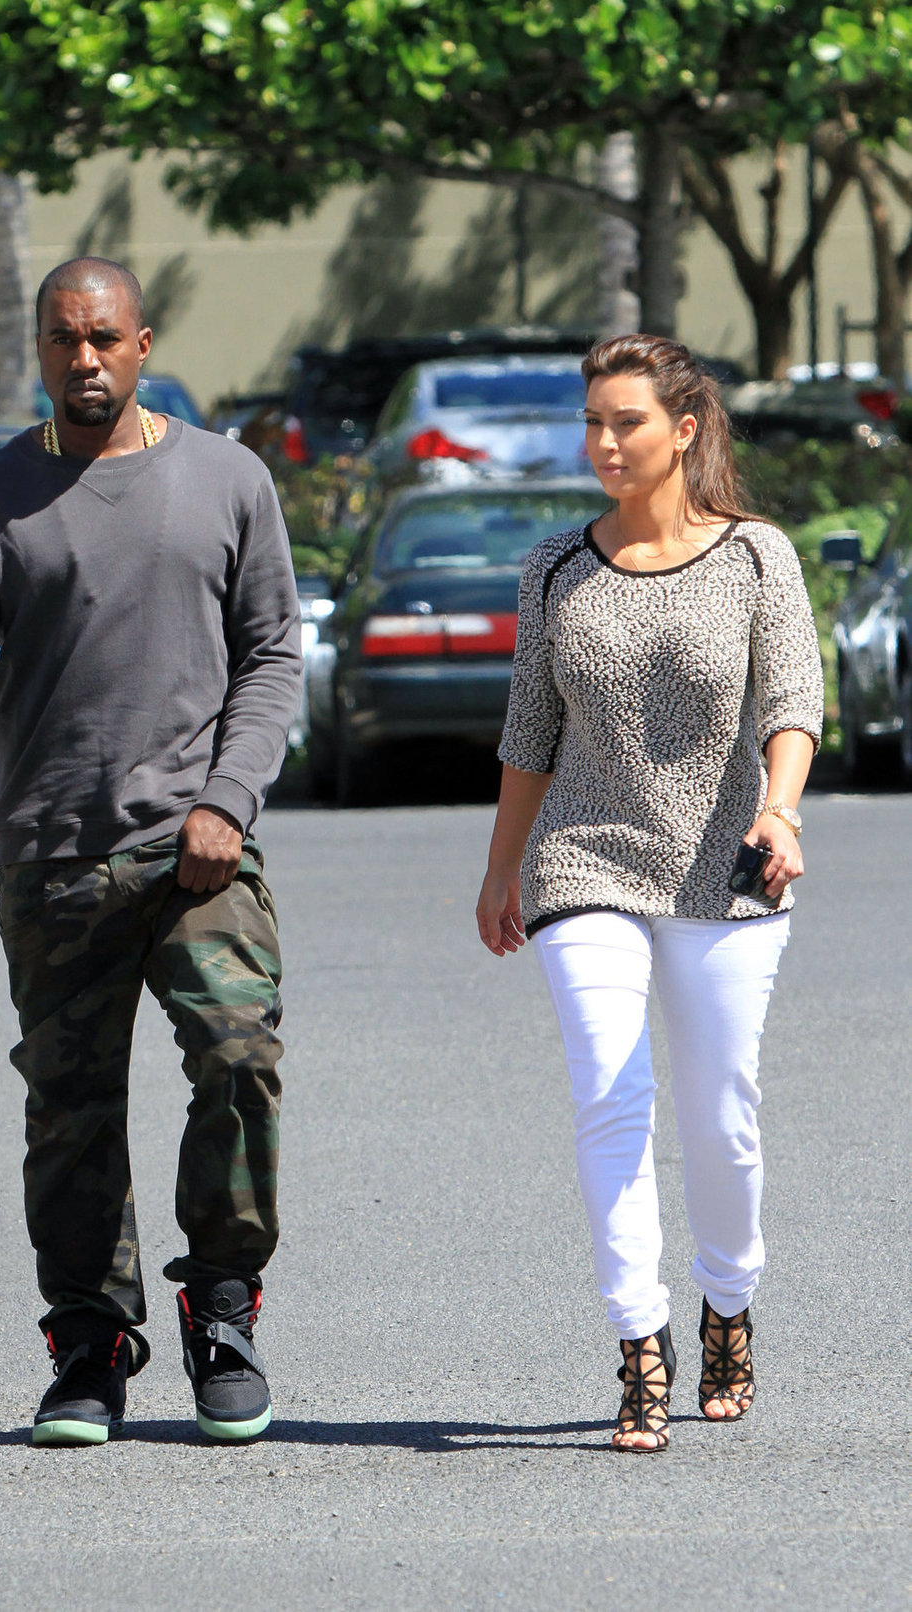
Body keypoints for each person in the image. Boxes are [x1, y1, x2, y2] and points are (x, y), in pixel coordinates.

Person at [0, 257, 303, 1448]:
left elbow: (274, 653)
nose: (84, 359)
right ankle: (89, 1342)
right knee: (70, 1110)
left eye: (104, 338)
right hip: (50, 853)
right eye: (63, 340)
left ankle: (222, 1307)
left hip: (201, 852)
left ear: (143, 344)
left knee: (237, 1054)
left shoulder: (227, 479)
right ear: (42, 347)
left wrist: (228, 798)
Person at [476, 334, 823, 1453]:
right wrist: (502, 867)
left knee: (721, 1112)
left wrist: (780, 807)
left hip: (728, 860)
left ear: (683, 430)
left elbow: (792, 695)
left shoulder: (757, 558)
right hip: (585, 857)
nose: (603, 442)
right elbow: (531, 728)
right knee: (609, 1092)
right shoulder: (552, 568)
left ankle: (728, 1299)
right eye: (591, 421)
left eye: (624, 420)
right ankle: (641, 1344)